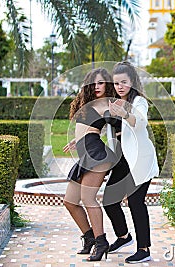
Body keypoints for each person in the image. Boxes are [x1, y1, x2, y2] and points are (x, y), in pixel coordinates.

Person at [103, 61, 159, 264]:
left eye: (124, 82)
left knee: (136, 202)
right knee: (109, 201)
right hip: (121, 162)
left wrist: (125, 114)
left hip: (139, 160)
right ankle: (124, 236)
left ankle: (144, 249)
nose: (119, 87)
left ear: (132, 81)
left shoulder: (138, 102)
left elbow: (140, 122)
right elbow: (107, 129)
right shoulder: (115, 102)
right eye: (116, 83)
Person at [63, 68, 117, 261]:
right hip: (86, 153)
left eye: (101, 83)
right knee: (70, 202)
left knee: (88, 199)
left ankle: (101, 242)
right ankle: (90, 238)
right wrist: (78, 141)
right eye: (93, 83)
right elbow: (88, 128)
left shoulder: (108, 103)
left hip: (98, 155)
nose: (96, 86)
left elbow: (118, 126)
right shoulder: (87, 103)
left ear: (107, 84)